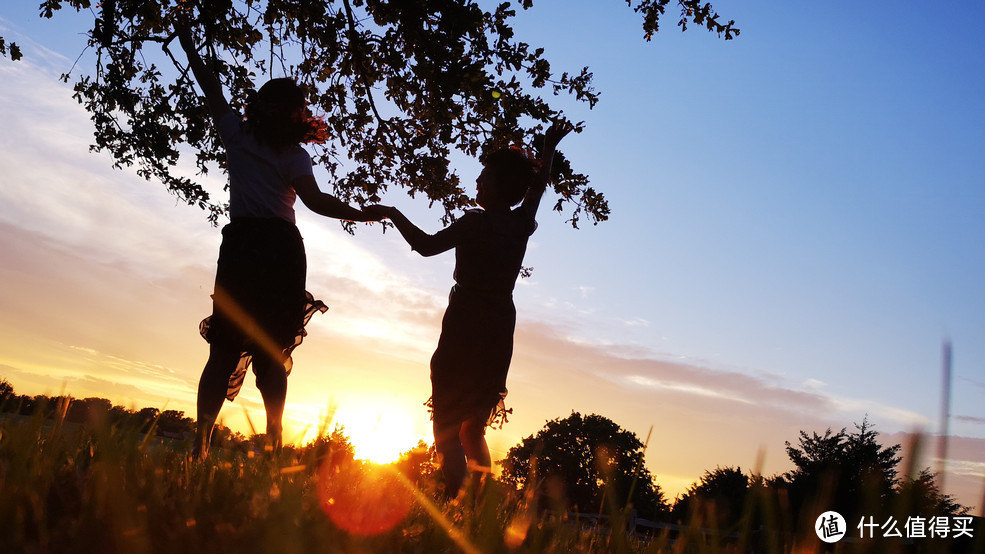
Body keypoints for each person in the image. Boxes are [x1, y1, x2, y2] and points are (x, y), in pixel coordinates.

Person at [176, 25, 380, 457]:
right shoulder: (258, 141)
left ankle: (248, 443)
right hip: (263, 249)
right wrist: (190, 43)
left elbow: (317, 201)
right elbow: (317, 203)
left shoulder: (264, 144)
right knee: (234, 351)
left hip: (262, 250)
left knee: (248, 353)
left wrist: (190, 42)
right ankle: (215, 444)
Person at [366, 121, 572, 498]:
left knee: (446, 427)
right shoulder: (520, 222)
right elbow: (538, 185)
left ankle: (459, 503)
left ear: (497, 187)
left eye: (482, 179)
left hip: (465, 322)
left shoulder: (476, 223)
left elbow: (426, 246)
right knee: (472, 429)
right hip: (498, 324)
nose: (476, 184)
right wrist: (547, 147)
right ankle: (475, 509)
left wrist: (393, 213)